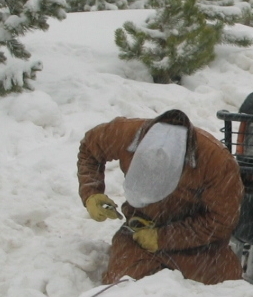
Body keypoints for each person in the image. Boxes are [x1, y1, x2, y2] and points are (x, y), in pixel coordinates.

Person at [78, 109, 244, 285]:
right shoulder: (127, 135)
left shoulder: (216, 162)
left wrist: (164, 237)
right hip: (139, 233)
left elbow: (222, 221)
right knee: (121, 287)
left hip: (197, 244)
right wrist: (92, 193)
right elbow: (90, 147)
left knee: (221, 294)